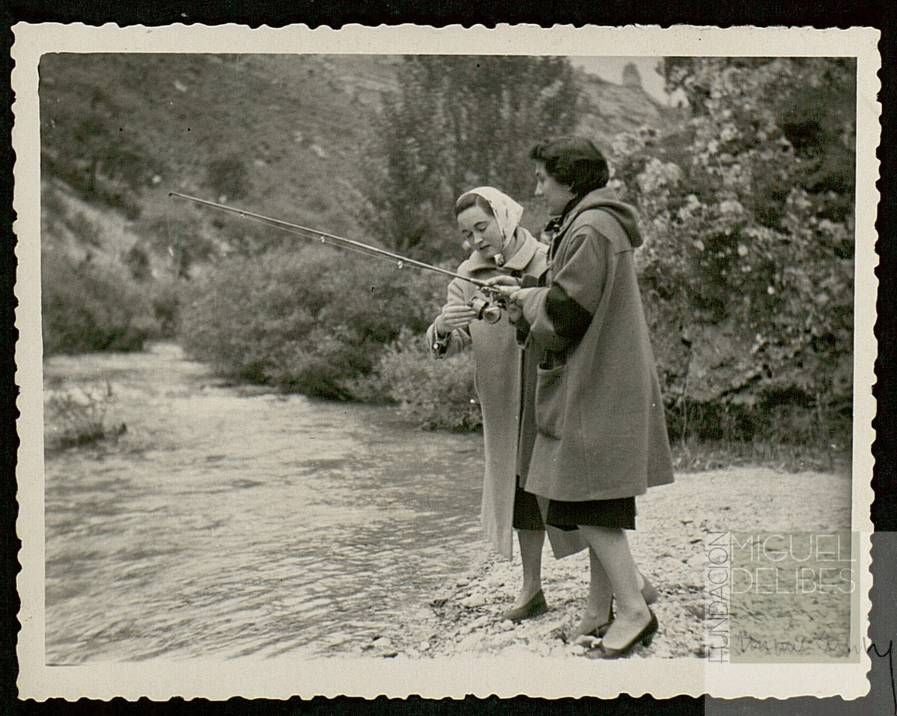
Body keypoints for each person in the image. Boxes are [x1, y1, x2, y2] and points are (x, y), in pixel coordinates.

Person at [489, 137, 674, 658]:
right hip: (603, 380)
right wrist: (527, 289)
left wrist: (525, 300)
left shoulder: (590, 228)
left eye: (545, 178)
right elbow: (565, 291)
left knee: (585, 501)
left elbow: (567, 315)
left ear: (569, 181)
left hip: (598, 383)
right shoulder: (592, 223)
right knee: (600, 499)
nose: (538, 187)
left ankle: (635, 610)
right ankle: (600, 609)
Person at [427, 186, 584, 621]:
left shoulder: (546, 257)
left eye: (482, 227)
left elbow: (568, 316)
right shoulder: (464, 275)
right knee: (519, 492)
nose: (476, 239)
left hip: (547, 387)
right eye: (466, 232)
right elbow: (453, 342)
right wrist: (444, 327)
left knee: (565, 484)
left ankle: (615, 581)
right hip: (501, 401)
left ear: (505, 218)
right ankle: (532, 588)